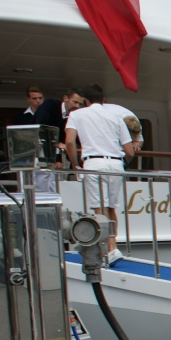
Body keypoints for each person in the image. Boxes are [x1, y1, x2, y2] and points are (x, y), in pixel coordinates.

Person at [63, 85, 139, 264]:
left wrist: (75, 165)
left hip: (93, 163)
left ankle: (107, 249)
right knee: (111, 208)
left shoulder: (77, 115)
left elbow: (69, 142)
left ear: (85, 101)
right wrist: (123, 162)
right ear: (103, 100)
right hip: (115, 163)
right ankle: (113, 247)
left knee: (99, 208)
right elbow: (129, 150)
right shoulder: (115, 116)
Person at [30, 88, 86, 192]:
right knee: (39, 185)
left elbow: (70, 140)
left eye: (80, 104)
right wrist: (57, 158)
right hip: (37, 152)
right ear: (65, 98)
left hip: (54, 156)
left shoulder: (73, 116)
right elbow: (41, 129)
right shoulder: (50, 105)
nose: (77, 106)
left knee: (55, 185)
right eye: (75, 102)